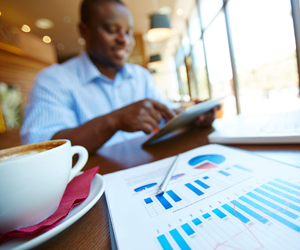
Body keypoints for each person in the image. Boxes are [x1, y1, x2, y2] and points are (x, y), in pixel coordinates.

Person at [20, 0, 217, 154]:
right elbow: (43, 148)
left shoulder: (140, 76)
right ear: (84, 31)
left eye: (128, 32)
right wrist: (114, 121)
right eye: (112, 30)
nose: (124, 40)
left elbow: (164, 114)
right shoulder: (54, 80)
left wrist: (193, 117)